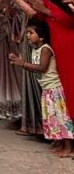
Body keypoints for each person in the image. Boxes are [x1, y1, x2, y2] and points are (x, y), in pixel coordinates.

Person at [9, 19, 74, 158]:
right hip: (47, 90)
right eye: (27, 33)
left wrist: (23, 64)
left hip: (55, 90)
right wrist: (19, 61)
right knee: (53, 119)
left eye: (31, 33)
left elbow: (42, 68)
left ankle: (68, 148)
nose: (28, 36)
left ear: (42, 36)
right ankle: (61, 144)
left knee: (62, 119)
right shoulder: (36, 49)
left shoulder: (45, 49)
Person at [0, 0, 46, 135]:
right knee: (25, 81)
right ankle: (28, 124)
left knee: (37, 81)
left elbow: (33, 13)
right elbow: (12, 15)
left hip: (38, 40)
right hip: (23, 39)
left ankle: (42, 126)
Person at [26, 0, 74, 122]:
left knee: (70, 84)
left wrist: (45, 11)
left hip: (68, 41)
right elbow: (37, 15)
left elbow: (69, 20)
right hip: (58, 40)